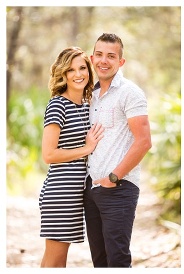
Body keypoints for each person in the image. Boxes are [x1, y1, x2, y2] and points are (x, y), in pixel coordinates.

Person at [84, 33, 152, 267]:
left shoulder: (130, 92)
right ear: (92, 58)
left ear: (120, 62)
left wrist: (114, 177)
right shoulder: (89, 94)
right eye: (100, 55)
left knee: (118, 259)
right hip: (91, 189)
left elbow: (144, 141)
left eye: (111, 56)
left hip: (119, 188)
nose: (104, 61)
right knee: (100, 260)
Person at [39, 47, 105, 267]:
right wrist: (86, 149)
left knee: (55, 261)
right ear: (63, 74)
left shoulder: (87, 106)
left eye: (82, 68)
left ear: (89, 70)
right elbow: (48, 154)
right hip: (61, 192)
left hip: (76, 194)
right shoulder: (58, 105)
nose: (78, 74)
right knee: (56, 261)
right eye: (71, 70)